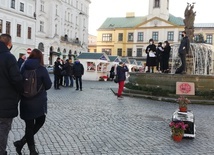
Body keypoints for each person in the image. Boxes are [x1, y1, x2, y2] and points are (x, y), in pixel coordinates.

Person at [14, 49, 52, 155]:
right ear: (40, 57)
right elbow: (48, 85)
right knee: (40, 121)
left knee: (29, 126)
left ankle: (25, 146)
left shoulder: (23, 67)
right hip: (38, 102)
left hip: (25, 102)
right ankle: (28, 148)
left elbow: (19, 82)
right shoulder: (42, 69)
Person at [0, 34, 23, 155]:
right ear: (9, 44)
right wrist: (21, 91)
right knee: (3, 130)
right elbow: (16, 79)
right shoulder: (9, 57)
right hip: (5, 103)